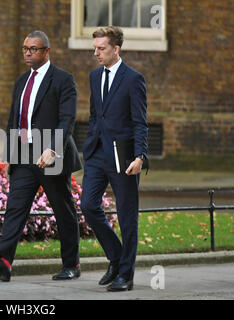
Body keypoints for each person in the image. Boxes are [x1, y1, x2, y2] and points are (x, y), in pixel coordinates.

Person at [0, 30, 82, 282]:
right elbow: (14, 120)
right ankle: (4, 262)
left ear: (46, 51)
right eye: (25, 48)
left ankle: (72, 264)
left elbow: (67, 120)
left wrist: (53, 148)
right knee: (14, 208)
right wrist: (10, 156)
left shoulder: (63, 80)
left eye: (33, 49)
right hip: (24, 157)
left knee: (63, 210)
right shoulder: (21, 82)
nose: (27, 52)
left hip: (50, 157)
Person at [80, 26, 148, 291]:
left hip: (124, 158)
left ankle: (125, 275)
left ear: (116, 49)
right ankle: (116, 257)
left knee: (127, 216)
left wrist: (140, 156)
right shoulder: (94, 76)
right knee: (88, 205)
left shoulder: (134, 79)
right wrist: (90, 145)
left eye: (101, 48)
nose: (95, 53)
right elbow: (96, 114)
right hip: (97, 154)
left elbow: (140, 122)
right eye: (94, 48)